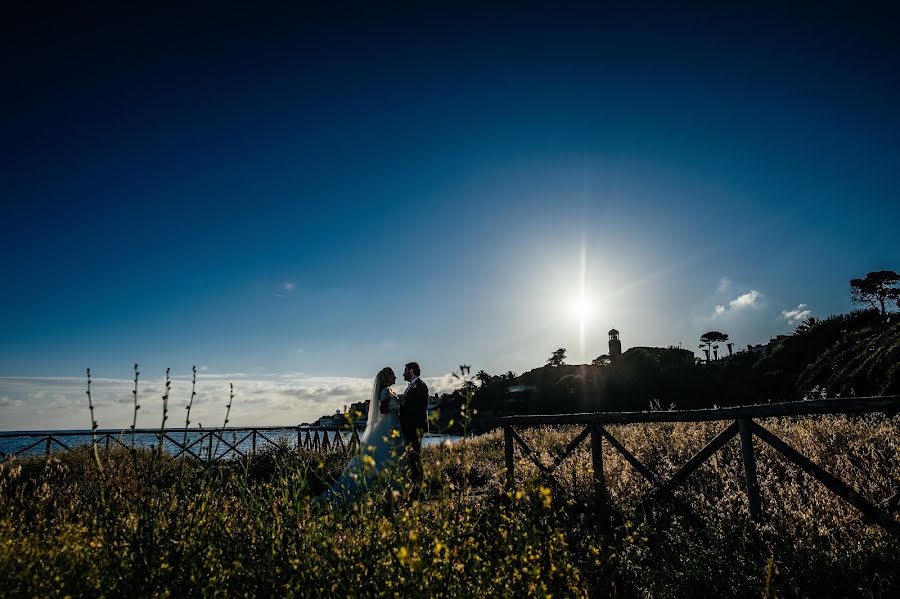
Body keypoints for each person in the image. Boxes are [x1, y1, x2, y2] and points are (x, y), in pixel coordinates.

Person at [315, 367, 405, 503]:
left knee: (385, 456)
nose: (395, 378)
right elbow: (383, 409)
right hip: (388, 425)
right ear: (386, 378)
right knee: (384, 455)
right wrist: (397, 406)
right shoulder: (385, 391)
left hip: (392, 424)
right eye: (393, 375)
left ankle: (387, 490)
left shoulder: (388, 391)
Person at [398, 361, 428, 498]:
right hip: (410, 428)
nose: (403, 373)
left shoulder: (420, 386)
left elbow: (419, 408)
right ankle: (416, 487)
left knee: (415, 457)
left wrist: (404, 404)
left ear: (410, 371)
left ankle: (419, 489)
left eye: (405, 371)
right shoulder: (411, 386)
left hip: (415, 428)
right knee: (412, 458)